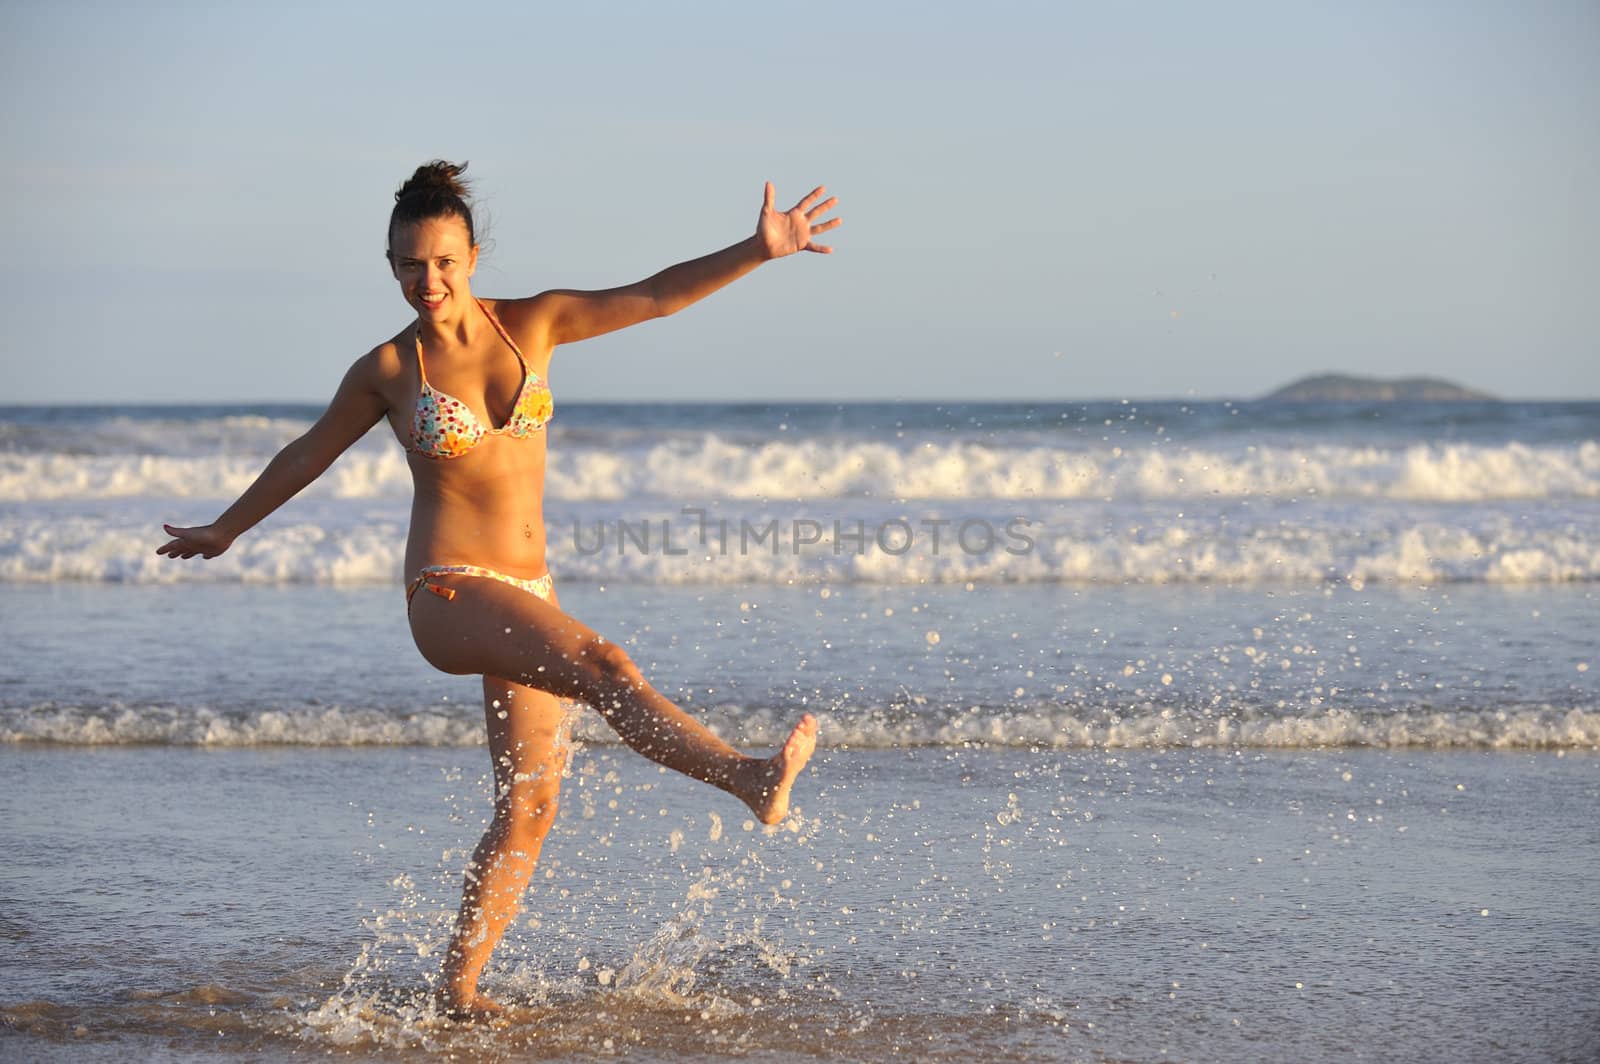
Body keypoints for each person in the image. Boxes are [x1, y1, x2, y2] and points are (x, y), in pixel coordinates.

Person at [157, 160, 837, 1018]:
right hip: (446, 591)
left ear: (472, 255)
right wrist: (227, 526)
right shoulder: (387, 369)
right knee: (608, 665)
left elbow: (656, 295)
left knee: (532, 804)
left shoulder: (536, 325)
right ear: (392, 265)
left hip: (526, 588)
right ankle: (748, 779)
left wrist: (757, 250)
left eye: (442, 261)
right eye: (409, 264)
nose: (427, 281)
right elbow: (307, 452)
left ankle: (459, 991)